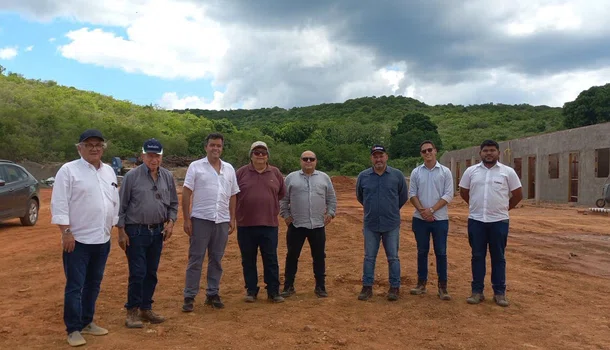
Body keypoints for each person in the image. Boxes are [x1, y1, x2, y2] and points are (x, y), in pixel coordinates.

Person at [51, 129, 119, 347]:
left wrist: (113, 225)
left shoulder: (108, 171)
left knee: (94, 283)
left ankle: (87, 321)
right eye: (89, 145)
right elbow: (59, 202)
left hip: (102, 238)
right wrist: (66, 232)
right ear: (79, 147)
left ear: (103, 148)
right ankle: (73, 329)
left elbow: (114, 200)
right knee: (75, 285)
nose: (94, 148)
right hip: (77, 240)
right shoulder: (69, 170)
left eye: (98, 145)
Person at [117, 138, 178, 327]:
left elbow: (173, 204)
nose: (154, 159)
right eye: (150, 155)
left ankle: (146, 308)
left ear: (161, 157)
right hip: (135, 231)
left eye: (157, 156)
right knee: (138, 272)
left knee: (151, 272)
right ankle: (132, 311)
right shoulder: (131, 177)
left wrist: (171, 222)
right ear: (143, 155)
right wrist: (120, 232)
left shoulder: (167, 176)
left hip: (158, 232)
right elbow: (121, 207)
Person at [459, 139, 523, 307]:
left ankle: (499, 293)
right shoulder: (471, 171)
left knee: (498, 257)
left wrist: (504, 209)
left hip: (499, 222)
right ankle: (477, 292)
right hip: (476, 221)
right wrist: (476, 207)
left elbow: (517, 195)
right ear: (480, 153)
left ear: (498, 153)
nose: (489, 153)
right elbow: (464, 192)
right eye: (485, 150)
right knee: (477, 256)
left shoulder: (507, 172)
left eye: (492, 150)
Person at [181, 133, 240, 312]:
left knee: (216, 259)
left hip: (221, 220)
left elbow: (233, 194)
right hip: (200, 219)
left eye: (219, 146)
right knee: (196, 258)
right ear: (206, 147)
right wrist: (186, 218)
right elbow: (186, 192)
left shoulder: (229, 169)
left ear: (222, 148)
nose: (216, 148)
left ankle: (212, 293)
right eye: (212, 145)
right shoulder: (196, 167)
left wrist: (232, 217)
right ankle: (189, 296)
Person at [279, 150, 337, 298]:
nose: (308, 162)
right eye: (305, 159)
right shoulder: (291, 178)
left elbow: (331, 198)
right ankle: (288, 286)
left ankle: (320, 287)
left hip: (318, 225)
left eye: (311, 159)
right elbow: (283, 199)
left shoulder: (324, 178)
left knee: (319, 257)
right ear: (301, 161)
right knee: (292, 256)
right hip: (296, 225)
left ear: (316, 161)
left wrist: (330, 213)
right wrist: (285, 215)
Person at [356, 145, 409, 301]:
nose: (378, 159)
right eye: (375, 156)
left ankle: (394, 287)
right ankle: (367, 287)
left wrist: (390, 209)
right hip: (371, 224)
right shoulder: (363, 176)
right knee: (369, 257)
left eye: (381, 156)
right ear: (371, 158)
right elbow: (360, 197)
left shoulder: (397, 176)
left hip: (391, 224)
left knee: (393, 257)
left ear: (387, 157)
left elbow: (403, 197)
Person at [236, 141, 286, 303]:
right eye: (256, 152)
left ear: (267, 156)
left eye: (263, 153)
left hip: (269, 224)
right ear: (251, 155)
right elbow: (232, 195)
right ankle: (251, 290)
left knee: (271, 258)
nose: (260, 155)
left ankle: (273, 291)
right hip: (245, 224)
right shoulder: (241, 173)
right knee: (248, 259)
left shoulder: (276, 173)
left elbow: (280, 194)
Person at [408, 140, 454, 300]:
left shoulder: (445, 172)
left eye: (429, 150)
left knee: (441, 252)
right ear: (421, 154)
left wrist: (432, 210)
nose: (427, 153)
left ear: (435, 151)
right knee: (422, 251)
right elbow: (412, 193)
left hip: (440, 219)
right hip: (420, 219)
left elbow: (448, 195)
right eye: (423, 151)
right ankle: (421, 284)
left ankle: (443, 287)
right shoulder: (416, 172)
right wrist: (422, 211)